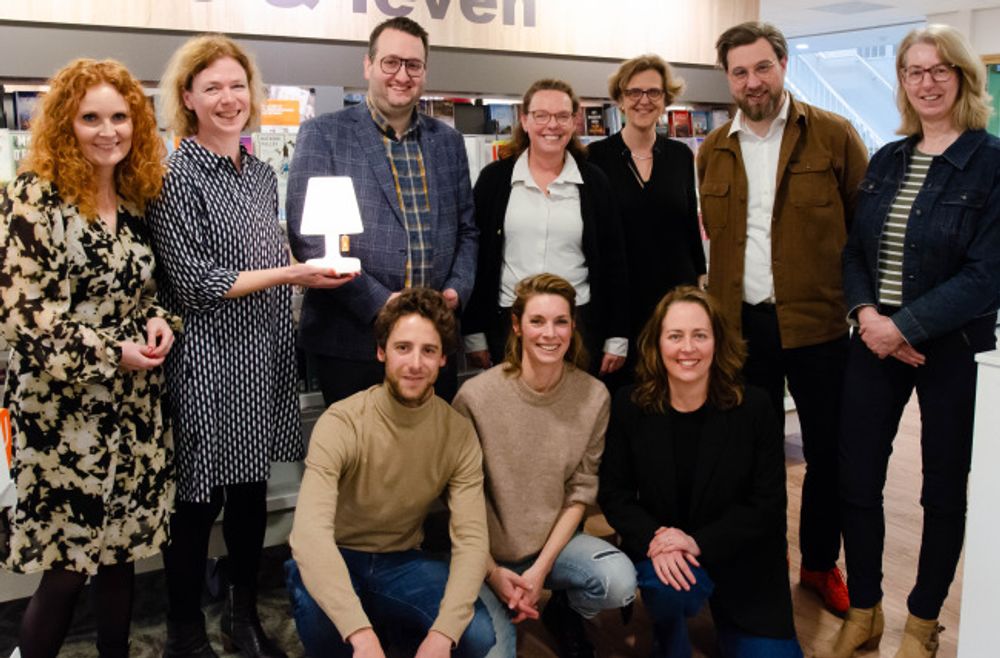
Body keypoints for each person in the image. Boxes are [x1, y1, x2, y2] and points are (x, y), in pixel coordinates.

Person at [148, 34, 354, 658]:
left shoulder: (261, 171)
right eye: (212, 87)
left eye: (238, 85)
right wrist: (293, 275)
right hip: (207, 362)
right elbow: (196, 282)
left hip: (263, 356)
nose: (229, 98)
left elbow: (268, 257)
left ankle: (243, 617)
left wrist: (307, 264)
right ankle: (184, 629)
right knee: (195, 503)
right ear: (187, 97)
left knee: (248, 497)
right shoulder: (174, 174)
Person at [818, 24, 1000, 658]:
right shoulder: (889, 157)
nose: (926, 82)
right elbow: (854, 251)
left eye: (939, 70)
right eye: (913, 71)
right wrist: (870, 316)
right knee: (857, 477)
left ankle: (922, 623)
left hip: (953, 346)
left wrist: (905, 327)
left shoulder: (992, 161)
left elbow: (986, 275)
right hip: (874, 339)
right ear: (900, 82)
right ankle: (864, 609)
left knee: (942, 487)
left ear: (963, 78)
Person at [0, 58, 177, 658]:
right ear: (63, 125)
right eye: (91, 118)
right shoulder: (33, 198)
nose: (109, 131)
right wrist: (112, 352)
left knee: (123, 558)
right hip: (64, 420)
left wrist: (161, 325)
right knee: (67, 569)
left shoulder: (134, 198)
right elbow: (27, 319)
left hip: (135, 413)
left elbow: (156, 295)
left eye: (121, 117)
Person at [697, 21, 869, 616]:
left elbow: (862, 233)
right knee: (749, 455)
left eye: (762, 67)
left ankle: (820, 565)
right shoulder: (713, 149)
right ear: (728, 78)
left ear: (784, 64)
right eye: (740, 72)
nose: (752, 81)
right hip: (742, 330)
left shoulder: (833, 136)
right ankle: (758, 563)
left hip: (820, 328)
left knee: (827, 455)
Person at [285, 287, 497, 658]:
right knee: (326, 632)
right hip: (337, 554)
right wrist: (360, 634)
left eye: (428, 350)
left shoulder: (458, 433)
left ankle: (394, 630)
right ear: (381, 352)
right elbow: (309, 537)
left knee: (476, 636)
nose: (415, 363)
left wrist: (444, 634)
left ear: (443, 359)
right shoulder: (343, 421)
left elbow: (472, 540)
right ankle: (376, 630)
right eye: (403, 348)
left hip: (402, 561)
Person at [598, 286, 802, 658]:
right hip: (667, 558)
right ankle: (668, 625)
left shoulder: (754, 407)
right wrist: (658, 537)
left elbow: (767, 505)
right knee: (668, 589)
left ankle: (727, 617)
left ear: (717, 342)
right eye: (675, 336)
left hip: (744, 561)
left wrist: (698, 541)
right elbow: (615, 494)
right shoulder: (630, 405)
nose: (687, 348)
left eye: (700, 335)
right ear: (657, 344)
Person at [287, 15, 478, 405]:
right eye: (391, 62)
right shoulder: (324, 134)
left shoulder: (449, 142)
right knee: (361, 460)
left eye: (413, 65)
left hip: (432, 340)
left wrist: (457, 289)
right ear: (368, 65)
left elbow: (467, 230)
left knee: (429, 457)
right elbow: (308, 241)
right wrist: (380, 303)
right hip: (352, 340)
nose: (402, 75)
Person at [453, 273, 637, 658]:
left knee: (618, 582)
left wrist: (539, 573)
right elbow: (458, 498)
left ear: (573, 327)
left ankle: (562, 610)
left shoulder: (593, 396)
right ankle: (502, 601)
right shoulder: (475, 397)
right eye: (537, 321)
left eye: (560, 321)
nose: (549, 334)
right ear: (517, 326)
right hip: (486, 555)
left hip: (552, 550)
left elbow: (581, 492)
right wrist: (491, 572)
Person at [463, 79, 628, 380]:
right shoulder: (494, 180)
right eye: (541, 115)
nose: (552, 125)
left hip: (578, 324)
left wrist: (617, 335)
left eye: (562, 116)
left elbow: (614, 263)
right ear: (524, 120)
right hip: (509, 325)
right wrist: (474, 331)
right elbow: (475, 258)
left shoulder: (595, 183)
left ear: (575, 121)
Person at [588, 54, 707, 381]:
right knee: (623, 395)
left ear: (666, 99)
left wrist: (699, 277)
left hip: (673, 298)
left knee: (675, 388)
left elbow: (688, 226)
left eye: (654, 92)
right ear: (620, 100)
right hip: (620, 300)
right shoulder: (595, 158)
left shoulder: (681, 155)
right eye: (634, 92)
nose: (644, 101)